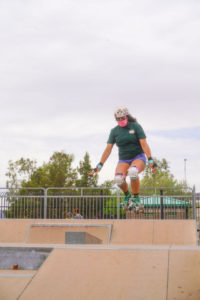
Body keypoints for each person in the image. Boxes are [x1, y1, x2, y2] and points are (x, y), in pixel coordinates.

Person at [89, 106, 157, 210]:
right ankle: (127, 196)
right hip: (124, 159)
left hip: (138, 157)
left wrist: (150, 159)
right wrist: (100, 165)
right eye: (118, 119)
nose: (121, 120)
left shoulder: (136, 127)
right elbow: (108, 149)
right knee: (118, 179)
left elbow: (144, 144)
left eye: (122, 118)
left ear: (127, 116)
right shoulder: (115, 131)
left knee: (133, 171)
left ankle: (136, 198)